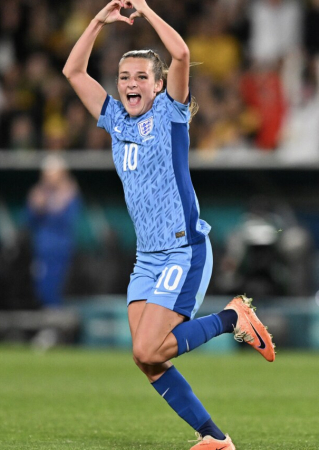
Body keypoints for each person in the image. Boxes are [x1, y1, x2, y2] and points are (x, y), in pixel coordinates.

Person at [62, 2, 274, 449]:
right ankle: (214, 438)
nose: (131, 84)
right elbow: (73, 72)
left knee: (146, 349)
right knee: (147, 360)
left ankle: (232, 316)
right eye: (124, 77)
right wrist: (99, 21)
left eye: (142, 77)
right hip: (147, 258)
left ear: (159, 86)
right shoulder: (115, 119)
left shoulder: (171, 115)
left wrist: (145, 9)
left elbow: (179, 54)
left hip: (184, 249)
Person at [26, 154, 82, 308]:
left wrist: (56, 205)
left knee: (60, 287)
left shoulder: (70, 195)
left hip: (62, 249)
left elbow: (69, 221)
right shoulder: (38, 194)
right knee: (42, 286)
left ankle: (56, 322)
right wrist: (37, 207)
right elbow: (28, 220)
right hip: (42, 249)